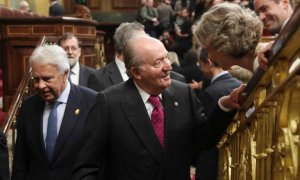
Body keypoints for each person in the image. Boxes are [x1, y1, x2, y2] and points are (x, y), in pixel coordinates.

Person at [73, 35, 243, 180]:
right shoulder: (109, 102)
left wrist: (224, 106)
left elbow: (203, 141)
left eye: (166, 57)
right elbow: (86, 167)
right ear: (136, 72)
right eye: (158, 63)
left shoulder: (183, 93)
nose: (168, 66)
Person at [11, 45, 97, 180]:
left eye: (47, 79)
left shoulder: (92, 102)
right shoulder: (28, 107)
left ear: (65, 74)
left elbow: (99, 159)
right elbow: (21, 163)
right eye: (36, 79)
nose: (40, 86)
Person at [88, 22, 185, 92]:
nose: (150, 43)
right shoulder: (98, 79)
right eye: (144, 40)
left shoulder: (176, 80)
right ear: (127, 46)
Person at [194, 48, 242, 180]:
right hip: (239, 156)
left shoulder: (210, 93)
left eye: (200, 64)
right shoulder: (238, 84)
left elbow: (207, 133)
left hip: (215, 162)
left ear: (208, 63)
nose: (200, 68)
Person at [193, 2, 263, 72]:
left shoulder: (266, 64)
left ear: (221, 43)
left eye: (208, 50)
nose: (209, 57)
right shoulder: (261, 63)